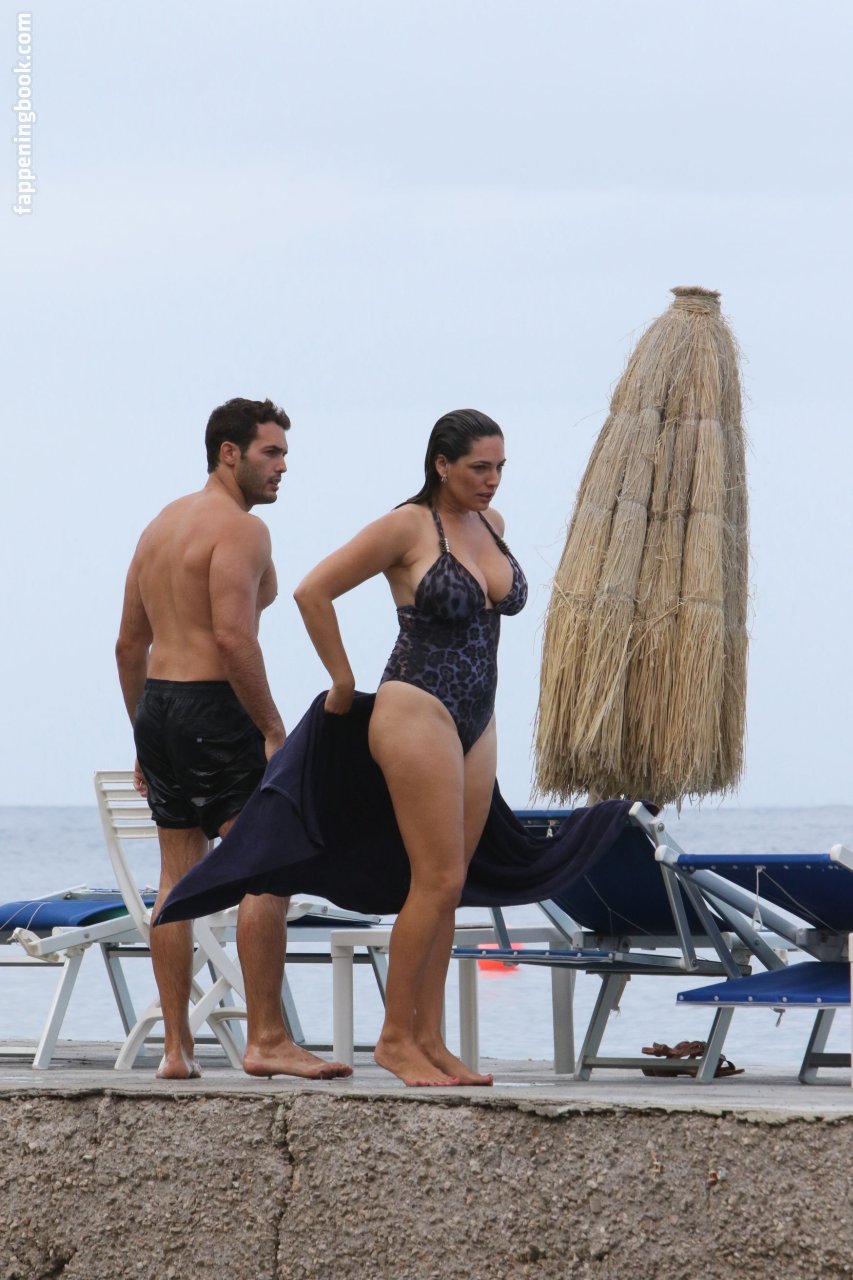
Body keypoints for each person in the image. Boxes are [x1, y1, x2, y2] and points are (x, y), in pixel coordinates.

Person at [115, 396, 352, 1082]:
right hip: (216, 709)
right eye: (270, 453)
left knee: (176, 877)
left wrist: (142, 733)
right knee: (268, 866)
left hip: (161, 706)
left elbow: (129, 645)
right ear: (230, 453)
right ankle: (267, 1038)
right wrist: (273, 728)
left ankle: (175, 1050)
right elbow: (232, 637)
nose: (283, 467)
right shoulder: (242, 531)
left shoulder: (160, 526)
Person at [291, 408, 527, 1087]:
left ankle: (430, 1039)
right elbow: (313, 590)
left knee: (453, 886)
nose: (491, 479)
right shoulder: (406, 526)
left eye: (500, 467)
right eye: (479, 467)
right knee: (435, 880)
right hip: (415, 704)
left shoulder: (491, 525)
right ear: (441, 464)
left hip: (477, 716)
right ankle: (395, 1038)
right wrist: (342, 680)